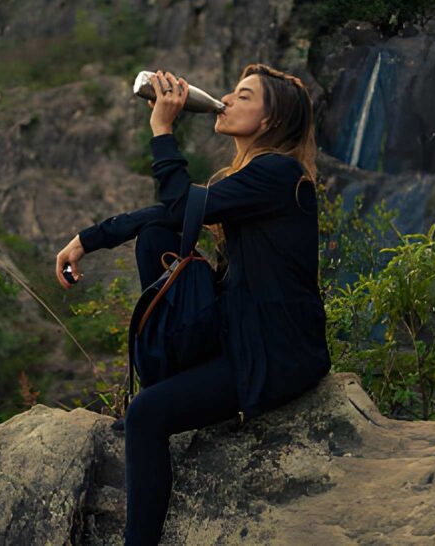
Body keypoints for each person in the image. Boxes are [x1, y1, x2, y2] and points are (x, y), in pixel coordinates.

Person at [54, 64, 332, 545]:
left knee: (146, 416)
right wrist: (90, 238)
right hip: (238, 332)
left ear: (269, 121)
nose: (226, 98)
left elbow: (184, 205)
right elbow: (168, 214)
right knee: (156, 235)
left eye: (243, 96)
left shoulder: (279, 172)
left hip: (271, 353)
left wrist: (163, 130)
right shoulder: (254, 175)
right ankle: (174, 381)